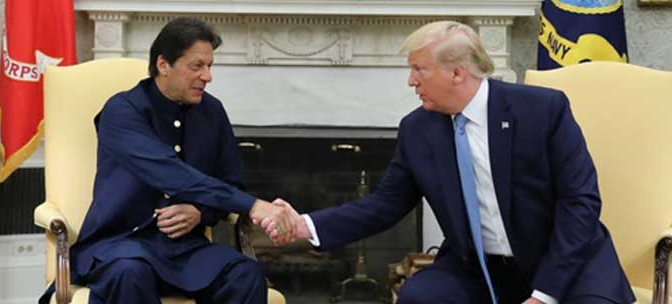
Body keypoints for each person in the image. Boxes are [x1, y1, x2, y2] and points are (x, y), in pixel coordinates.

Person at [262, 21, 636, 304]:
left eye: (419, 70)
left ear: (458, 72)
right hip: (480, 268)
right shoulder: (418, 129)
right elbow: (383, 206)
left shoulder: (542, 111)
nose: (411, 81)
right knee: (420, 297)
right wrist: (304, 225)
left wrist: (544, 295)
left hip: (563, 262)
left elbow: (580, 204)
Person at [39, 18, 296, 304]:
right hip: (120, 244)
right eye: (196, 66)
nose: (207, 76)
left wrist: (200, 212)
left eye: (210, 66)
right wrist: (253, 205)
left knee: (245, 273)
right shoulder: (122, 110)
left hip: (185, 250)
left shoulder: (212, 111)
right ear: (163, 65)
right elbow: (169, 172)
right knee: (129, 272)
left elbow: (230, 180)